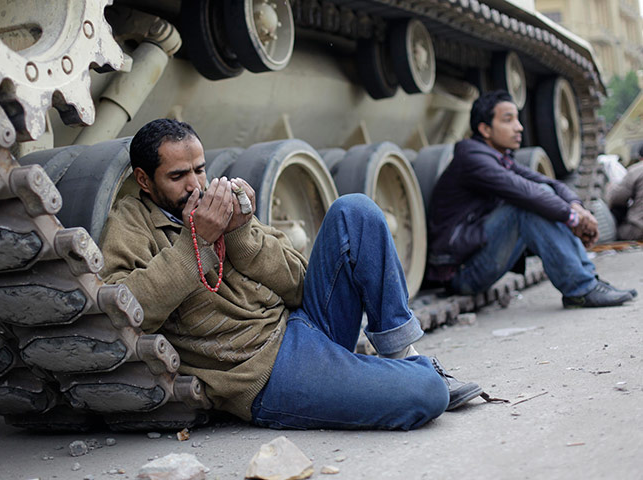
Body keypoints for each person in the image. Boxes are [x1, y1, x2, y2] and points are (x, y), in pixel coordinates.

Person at [99, 118, 484, 431]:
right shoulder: (131, 224)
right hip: (264, 371)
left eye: (200, 170)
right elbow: (127, 309)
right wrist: (196, 242)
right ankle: (403, 375)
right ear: (145, 180)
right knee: (427, 392)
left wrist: (241, 232)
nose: (196, 185)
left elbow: (300, 284)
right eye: (178, 175)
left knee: (356, 210)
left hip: (301, 323)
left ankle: (403, 353)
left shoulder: (220, 203)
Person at [426, 90, 636, 308]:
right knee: (525, 207)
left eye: (517, 119)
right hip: (461, 271)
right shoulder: (472, 158)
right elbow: (526, 193)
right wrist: (574, 219)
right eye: (508, 120)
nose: (519, 127)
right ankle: (580, 289)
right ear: (485, 129)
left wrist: (577, 208)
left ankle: (587, 281)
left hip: (479, 256)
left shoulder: (498, 157)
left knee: (544, 192)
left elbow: (550, 184)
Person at [605, 145, 643, 241]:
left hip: (638, 230)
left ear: (640, 158)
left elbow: (616, 199)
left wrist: (610, 189)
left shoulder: (636, 170)